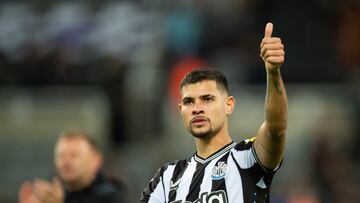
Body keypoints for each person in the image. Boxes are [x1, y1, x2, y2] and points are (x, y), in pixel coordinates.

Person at [140, 22, 287, 203]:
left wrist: (273, 73)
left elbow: (276, 128)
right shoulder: (166, 178)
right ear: (180, 110)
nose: (197, 108)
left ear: (229, 105)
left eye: (207, 99)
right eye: (188, 102)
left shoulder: (248, 157)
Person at [19, 130, 129, 203]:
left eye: (74, 156)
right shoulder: (50, 189)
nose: (66, 162)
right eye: (61, 156)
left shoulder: (112, 194)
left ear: (96, 160)